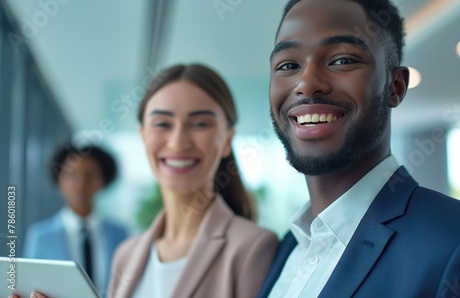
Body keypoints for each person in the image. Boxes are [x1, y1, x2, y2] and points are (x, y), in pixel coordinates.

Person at [258, 0, 460, 297]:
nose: (306, 83)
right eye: (288, 65)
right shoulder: (288, 248)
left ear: (395, 86)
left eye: (342, 60)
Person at [107, 64, 278, 298]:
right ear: (143, 136)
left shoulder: (252, 247)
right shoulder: (126, 255)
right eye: (162, 124)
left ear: (227, 139)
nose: (178, 142)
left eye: (200, 124)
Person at [23, 144, 128, 293]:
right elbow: (30, 288)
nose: (80, 184)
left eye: (90, 175)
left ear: (103, 181)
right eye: (71, 175)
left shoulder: (120, 234)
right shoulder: (40, 236)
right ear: (59, 180)